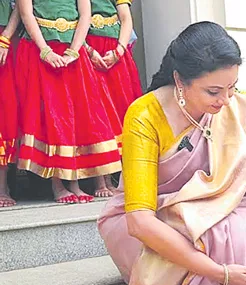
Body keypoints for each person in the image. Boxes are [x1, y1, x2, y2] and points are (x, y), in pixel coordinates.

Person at [97, 21, 246, 285]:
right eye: (213, 92)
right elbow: (139, 220)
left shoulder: (235, 111)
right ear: (180, 81)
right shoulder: (145, 115)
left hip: (215, 205)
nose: (226, 101)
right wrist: (221, 274)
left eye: (232, 88)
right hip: (148, 219)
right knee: (207, 231)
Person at [16, 0, 123, 204]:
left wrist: (74, 51)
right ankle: (57, 184)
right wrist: (45, 50)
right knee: (51, 115)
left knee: (78, 114)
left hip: (72, 54)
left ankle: (75, 182)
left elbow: (85, 14)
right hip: (40, 51)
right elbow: (26, 14)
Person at [85, 0, 142, 197]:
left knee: (122, 112)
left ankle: (130, 177)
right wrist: (87, 50)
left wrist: (119, 50)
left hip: (115, 53)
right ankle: (101, 180)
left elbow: (126, 19)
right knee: (96, 113)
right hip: (88, 51)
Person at [0, 0, 19, 207]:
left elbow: (19, 8)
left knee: (3, 114)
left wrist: (5, 38)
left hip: (3, 37)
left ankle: (2, 186)